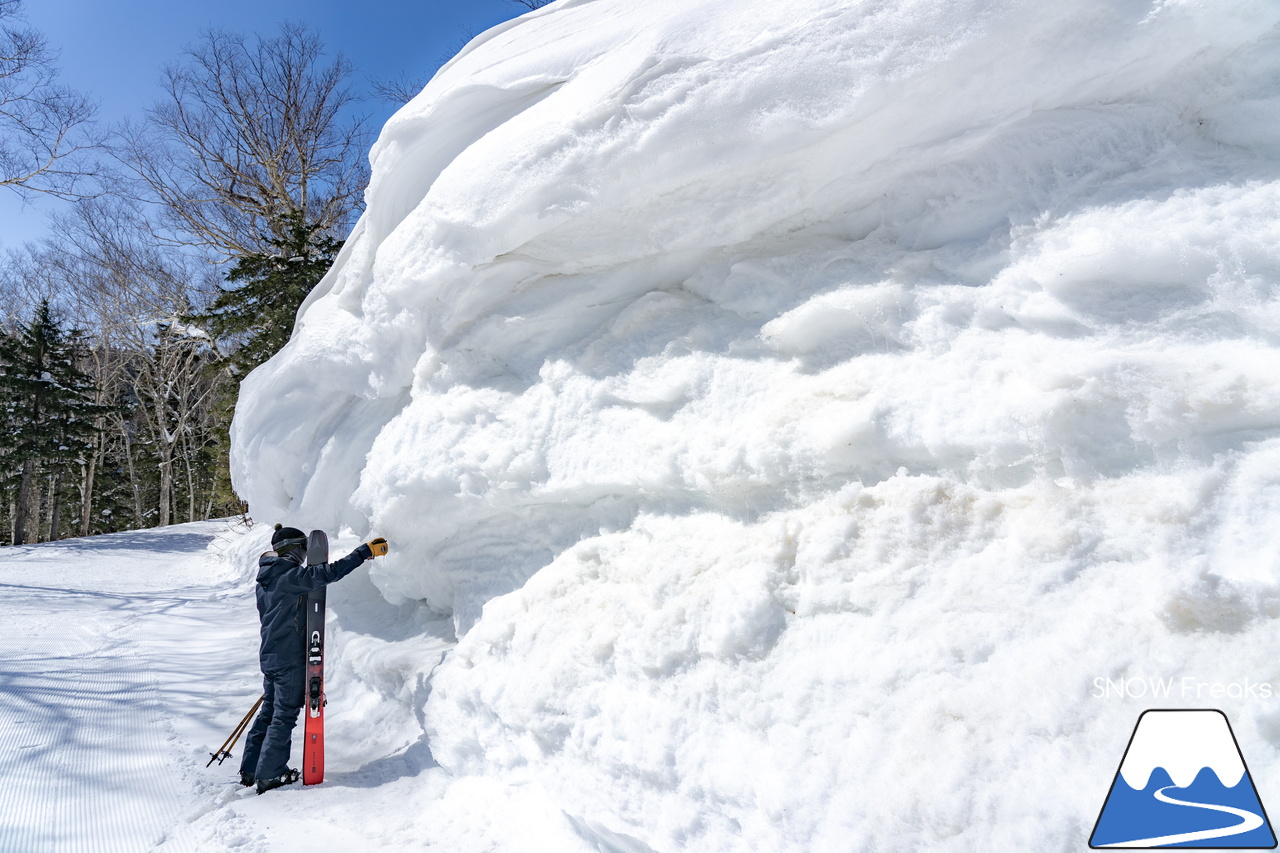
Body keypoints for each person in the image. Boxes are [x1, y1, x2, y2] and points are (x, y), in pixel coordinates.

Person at [238, 524, 389, 794]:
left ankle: (251, 769)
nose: (306, 554)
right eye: (303, 549)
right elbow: (328, 574)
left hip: (270, 657)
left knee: (269, 712)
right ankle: (270, 775)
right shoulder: (288, 576)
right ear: (295, 549)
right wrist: (363, 552)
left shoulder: (265, 580)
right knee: (283, 716)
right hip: (289, 658)